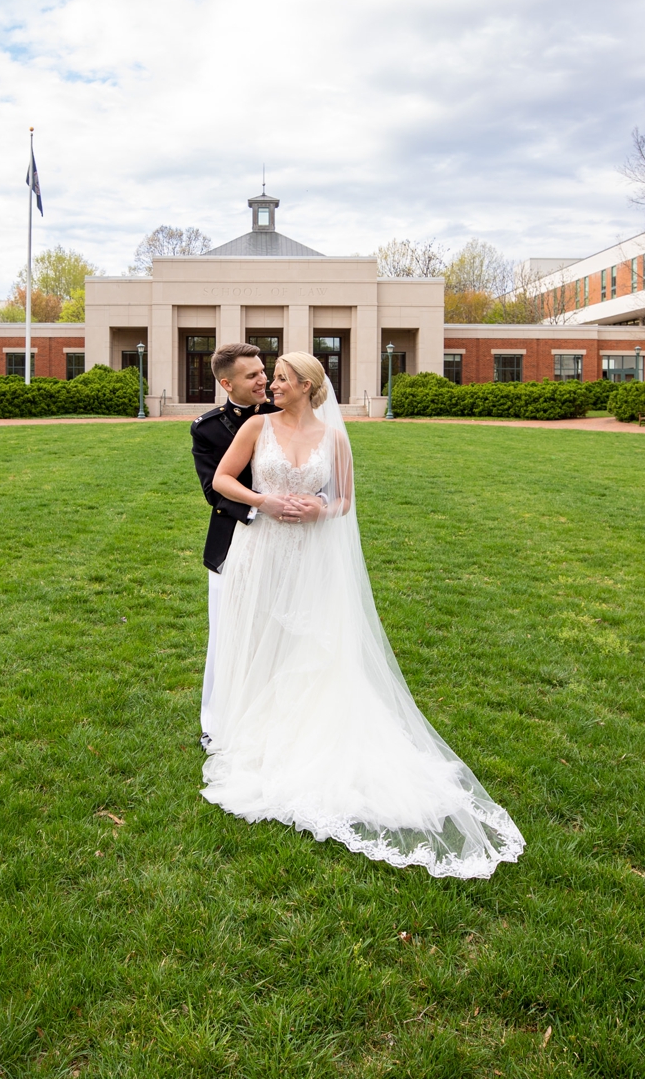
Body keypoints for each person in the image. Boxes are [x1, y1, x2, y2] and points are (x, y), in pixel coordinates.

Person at [202, 350, 522, 879]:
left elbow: (345, 501)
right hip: (263, 554)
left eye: (280, 378)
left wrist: (320, 508)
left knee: (312, 645)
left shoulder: (334, 438)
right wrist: (268, 502)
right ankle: (255, 725)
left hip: (312, 559)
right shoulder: (256, 428)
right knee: (264, 638)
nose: (271, 385)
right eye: (271, 378)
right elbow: (221, 481)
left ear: (305, 385)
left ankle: (304, 731)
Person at [189, 342, 304, 747]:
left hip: (289, 543)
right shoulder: (207, 428)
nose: (263, 381)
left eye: (264, 372)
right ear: (227, 383)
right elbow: (213, 490)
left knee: (283, 631)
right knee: (227, 634)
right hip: (234, 539)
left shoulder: (285, 415)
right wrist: (263, 506)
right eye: (253, 375)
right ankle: (216, 723)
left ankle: (276, 716)